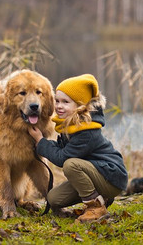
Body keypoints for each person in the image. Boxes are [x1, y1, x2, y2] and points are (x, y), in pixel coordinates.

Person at [28, 74, 128, 222]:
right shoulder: (71, 125)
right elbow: (63, 149)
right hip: (97, 174)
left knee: (70, 165)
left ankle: (96, 207)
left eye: (66, 102)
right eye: (57, 101)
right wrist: (44, 143)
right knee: (54, 198)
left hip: (111, 177)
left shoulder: (86, 132)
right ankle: (102, 198)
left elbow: (63, 158)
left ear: (81, 106)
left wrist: (40, 141)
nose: (59, 106)